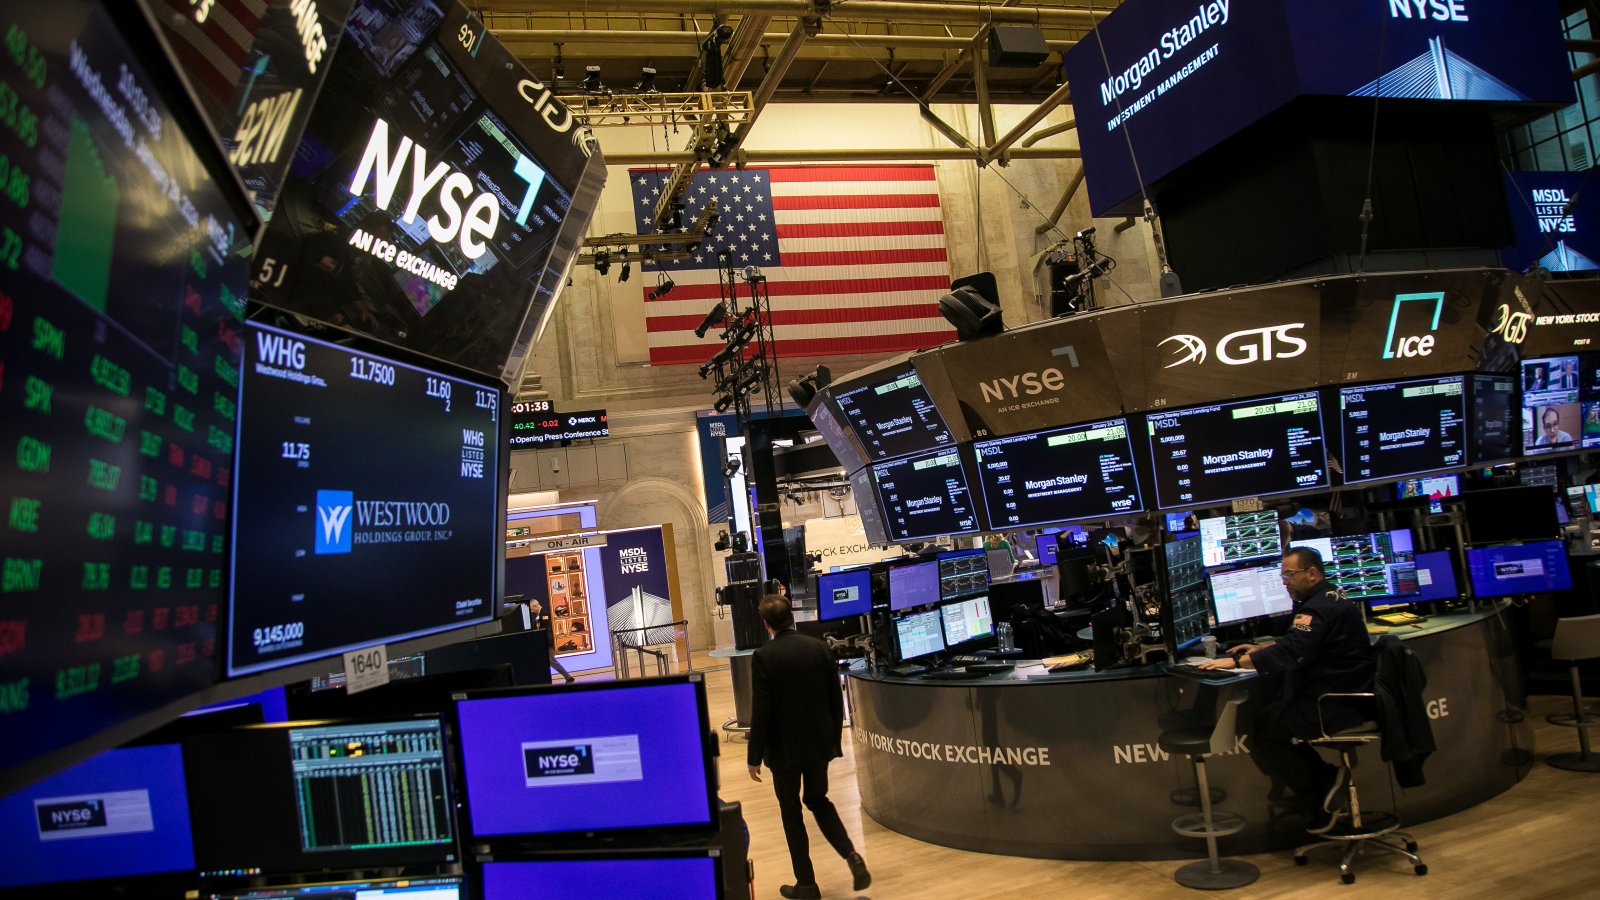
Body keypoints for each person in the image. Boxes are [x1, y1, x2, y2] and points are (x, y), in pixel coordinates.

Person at [1197, 547, 1374, 832]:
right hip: (1345, 692)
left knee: (1269, 728)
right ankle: (1324, 786)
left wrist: (1235, 662)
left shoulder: (1316, 607)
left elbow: (1293, 652)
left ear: (1312, 572)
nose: (1285, 582)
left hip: (1336, 702)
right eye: (1283, 577)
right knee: (1271, 718)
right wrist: (1267, 647)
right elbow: (1306, 642)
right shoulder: (1328, 597)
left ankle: (1321, 790)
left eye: (1289, 575)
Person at [747, 595, 870, 899]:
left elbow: (761, 711)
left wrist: (754, 756)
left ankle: (807, 885)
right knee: (817, 800)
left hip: (784, 751)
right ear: (791, 617)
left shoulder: (764, 656)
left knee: (791, 812)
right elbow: (835, 699)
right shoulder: (819, 648)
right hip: (818, 744)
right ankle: (852, 855)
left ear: (766, 624)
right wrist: (833, 742)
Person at [525, 598, 575, 684]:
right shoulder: (539, 615)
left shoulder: (545, 614)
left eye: (531, 608)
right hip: (541, 642)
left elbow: (545, 629)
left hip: (546, 642)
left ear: (535, 605)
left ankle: (568, 677)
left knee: (551, 661)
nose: (531, 611)